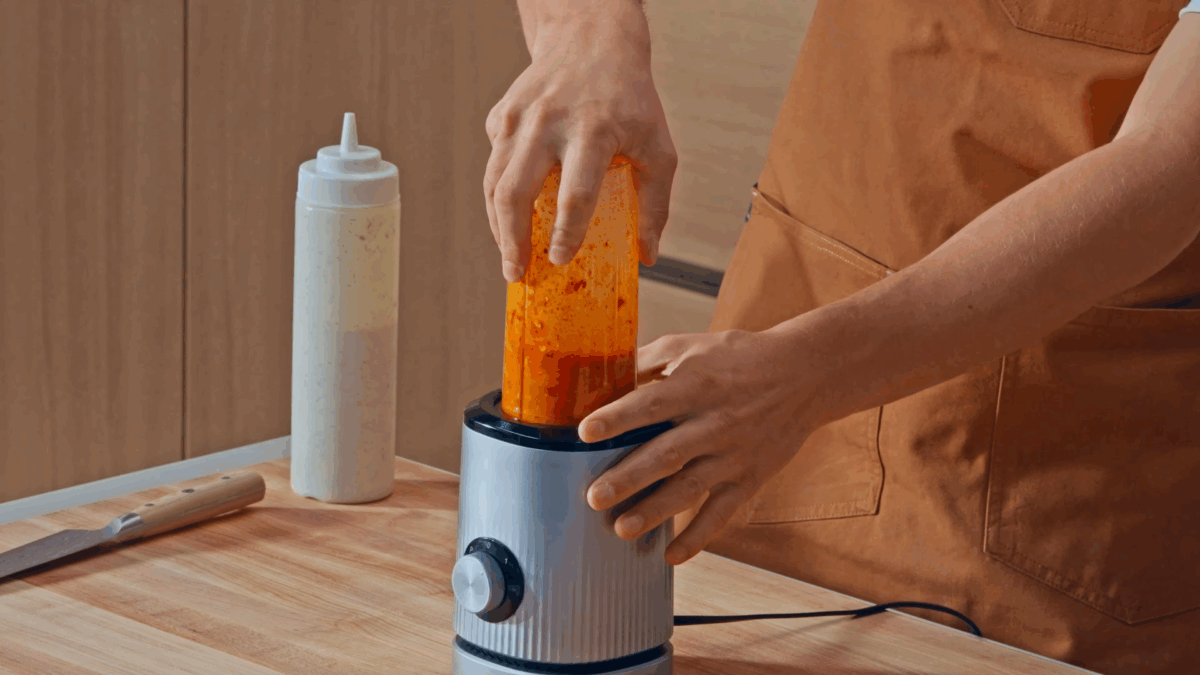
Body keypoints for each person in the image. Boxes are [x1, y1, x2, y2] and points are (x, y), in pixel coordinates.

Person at [482, 0, 1200, 672]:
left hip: (1055, 475)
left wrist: (804, 377)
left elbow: (1172, 163)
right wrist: (586, 37)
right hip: (774, 380)